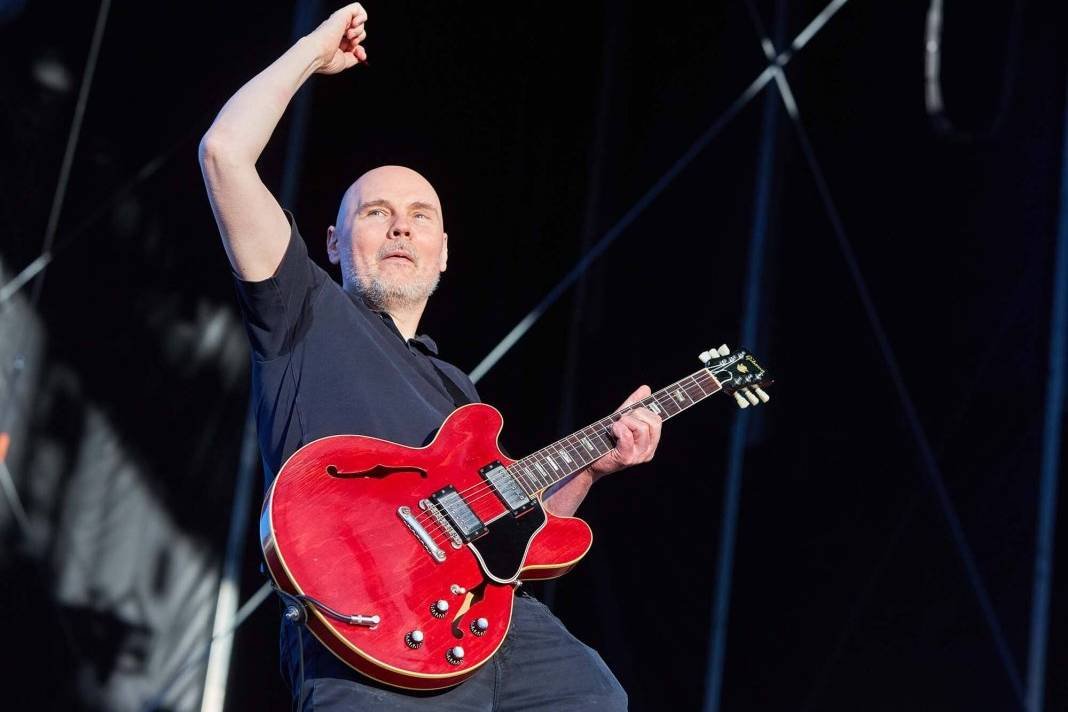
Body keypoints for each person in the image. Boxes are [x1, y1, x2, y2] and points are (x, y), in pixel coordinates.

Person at [199, 4, 662, 709]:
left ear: (443, 253)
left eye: (421, 216)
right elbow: (224, 154)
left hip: (483, 631)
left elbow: (517, 542)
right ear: (332, 242)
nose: (400, 228)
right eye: (376, 212)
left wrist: (595, 465)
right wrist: (309, 52)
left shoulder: (460, 393)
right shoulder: (304, 308)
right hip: (367, 632)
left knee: (597, 695)